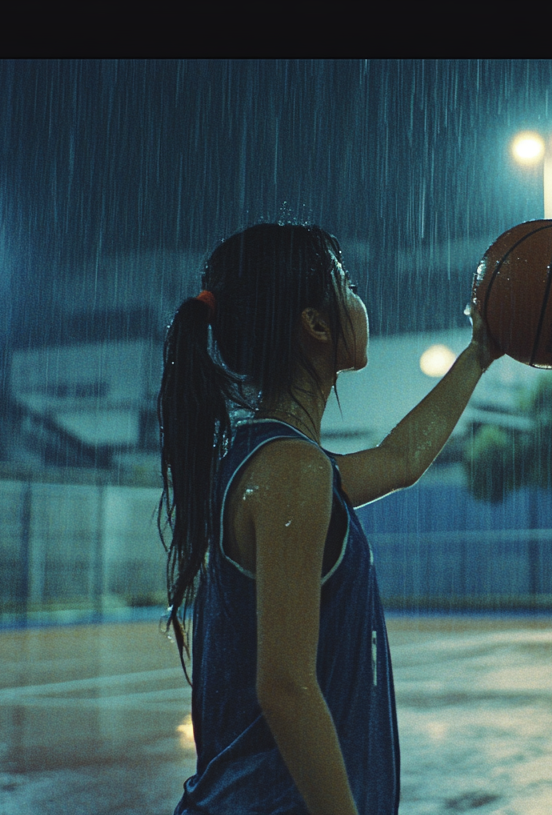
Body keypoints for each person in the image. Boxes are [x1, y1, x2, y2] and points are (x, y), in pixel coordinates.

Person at [159, 223, 499, 815]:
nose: (361, 303)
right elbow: (285, 687)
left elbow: (399, 460)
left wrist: (480, 354)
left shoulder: (277, 460)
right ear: (315, 325)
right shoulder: (292, 470)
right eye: (348, 286)